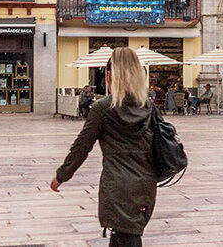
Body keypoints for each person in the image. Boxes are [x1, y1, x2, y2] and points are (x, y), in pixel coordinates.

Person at [51, 47, 158, 247]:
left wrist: (62, 175)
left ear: (109, 76)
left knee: (127, 237)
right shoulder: (149, 106)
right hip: (146, 183)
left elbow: (82, 146)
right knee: (123, 235)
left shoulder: (103, 108)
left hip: (117, 185)